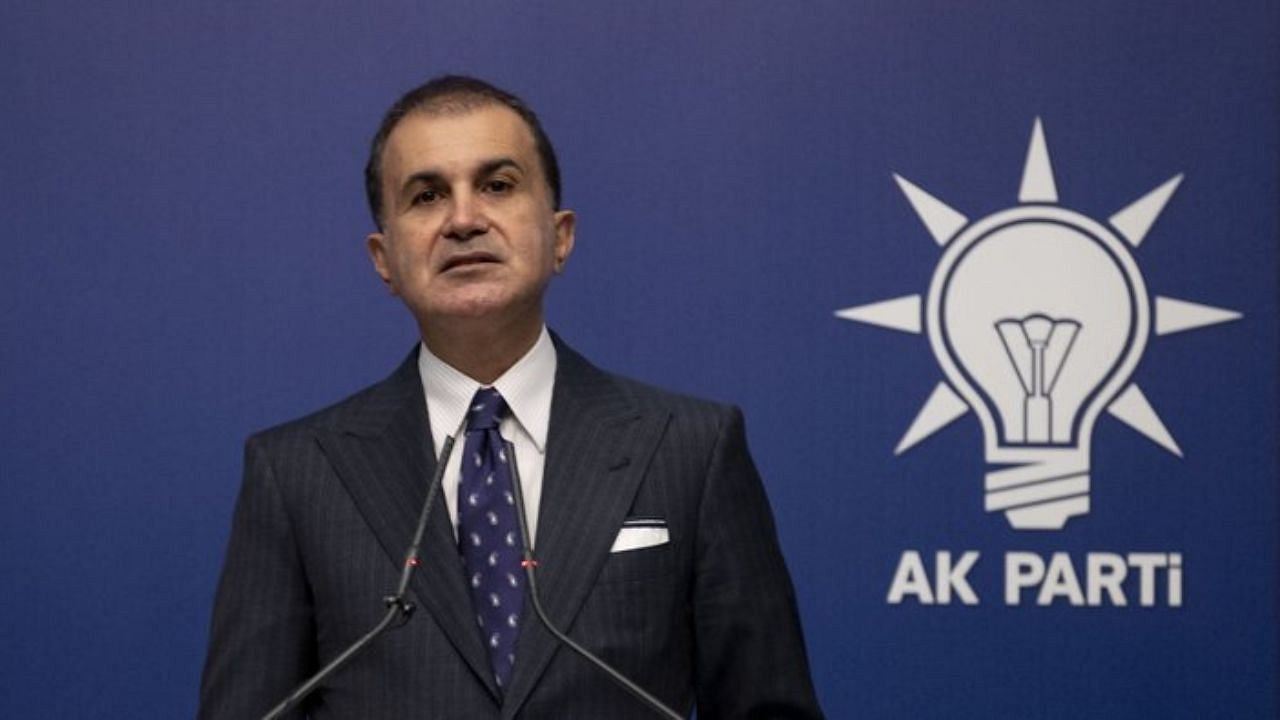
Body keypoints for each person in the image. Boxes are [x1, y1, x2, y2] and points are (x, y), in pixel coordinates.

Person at [199, 75, 823, 719]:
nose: (464, 220)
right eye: (427, 196)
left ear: (561, 235)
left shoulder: (690, 450)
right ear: (383, 259)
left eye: (497, 185)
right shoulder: (297, 474)